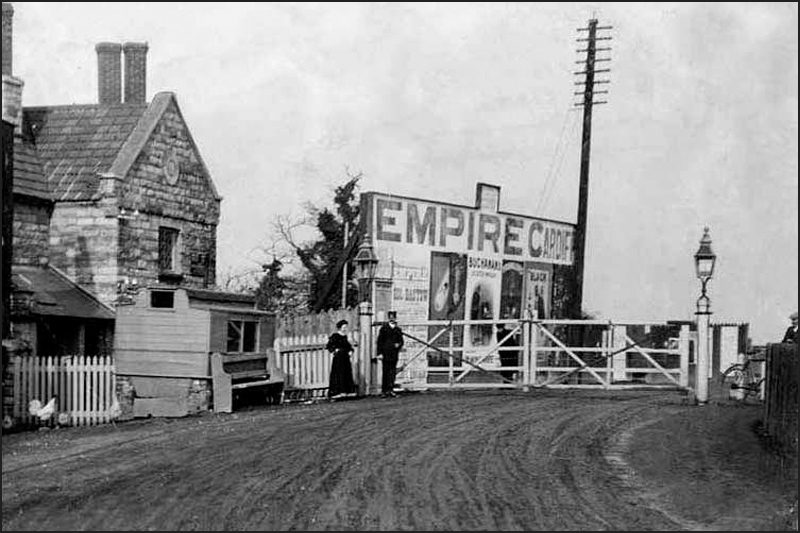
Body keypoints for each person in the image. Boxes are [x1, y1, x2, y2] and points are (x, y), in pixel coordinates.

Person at [326, 319, 356, 399]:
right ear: (340, 327)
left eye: (346, 327)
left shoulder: (345, 336)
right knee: (338, 374)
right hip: (339, 359)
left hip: (345, 358)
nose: (345, 328)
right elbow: (329, 345)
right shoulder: (335, 336)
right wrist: (334, 350)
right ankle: (337, 392)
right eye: (344, 327)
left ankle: (347, 392)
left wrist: (350, 351)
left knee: (346, 374)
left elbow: (348, 346)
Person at [376, 311, 404, 397]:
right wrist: (379, 353)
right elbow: (379, 341)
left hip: (394, 354)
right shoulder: (384, 329)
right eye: (390, 317)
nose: (392, 319)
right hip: (385, 353)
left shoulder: (398, 329)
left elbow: (401, 341)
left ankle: (390, 390)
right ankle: (384, 391)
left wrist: (398, 345)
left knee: (392, 373)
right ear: (388, 318)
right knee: (385, 372)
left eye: (393, 317)